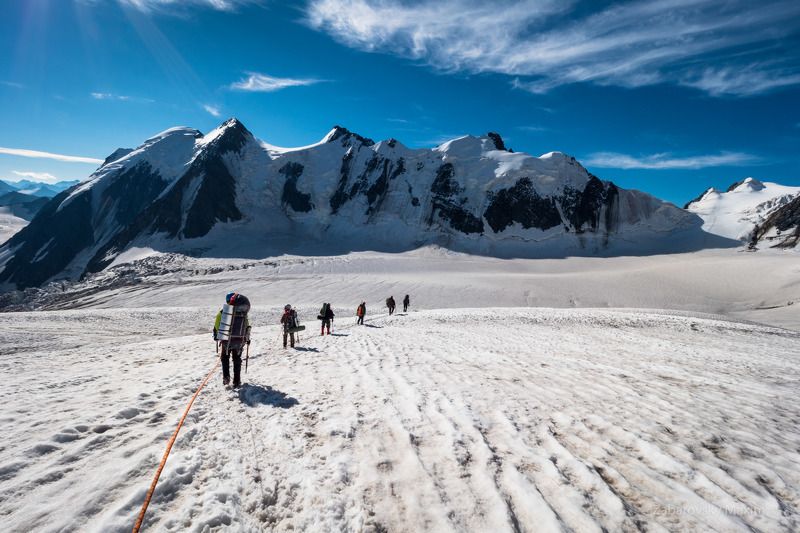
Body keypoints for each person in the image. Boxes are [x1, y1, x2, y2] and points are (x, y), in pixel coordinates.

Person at [213, 292, 251, 388]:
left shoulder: (223, 312)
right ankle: (237, 381)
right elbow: (247, 326)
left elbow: (217, 326)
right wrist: (247, 338)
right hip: (239, 341)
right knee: (237, 359)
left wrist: (217, 335)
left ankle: (226, 378)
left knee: (225, 358)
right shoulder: (243, 314)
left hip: (226, 340)